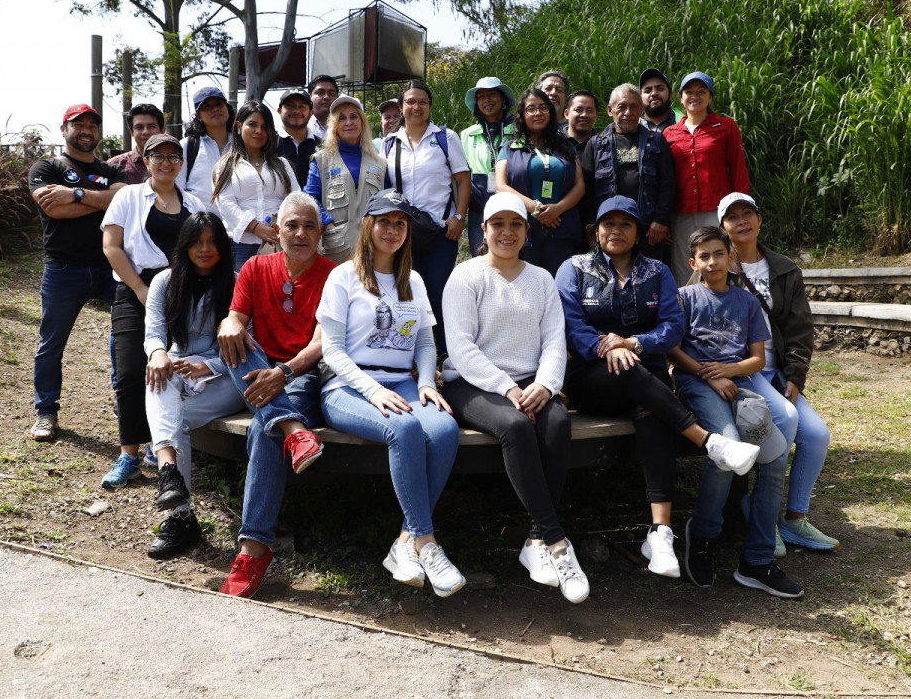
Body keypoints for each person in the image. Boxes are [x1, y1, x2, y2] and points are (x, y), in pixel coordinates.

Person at [556, 197, 760, 580]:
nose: (616, 231)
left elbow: (672, 326)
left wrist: (633, 344)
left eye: (626, 225)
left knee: (652, 412)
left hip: (645, 379)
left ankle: (660, 532)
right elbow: (570, 324)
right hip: (590, 379)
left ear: (637, 232)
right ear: (595, 230)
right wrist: (607, 347)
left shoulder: (657, 272)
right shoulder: (574, 269)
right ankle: (709, 442)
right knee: (636, 377)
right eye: (608, 224)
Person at [316, 189, 465, 598]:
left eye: (401, 223)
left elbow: (424, 342)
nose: (393, 230)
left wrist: (426, 385)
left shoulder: (412, 279)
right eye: (385, 221)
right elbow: (331, 350)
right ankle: (426, 542)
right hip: (348, 386)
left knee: (445, 429)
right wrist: (373, 391)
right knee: (403, 429)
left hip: (404, 383)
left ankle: (404, 541)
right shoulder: (342, 276)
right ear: (368, 225)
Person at [441, 193, 588, 603]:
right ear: (483, 231)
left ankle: (534, 540)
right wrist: (507, 387)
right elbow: (462, 347)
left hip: (532, 381)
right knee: (515, 425)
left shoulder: (541, 278)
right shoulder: (466, 277)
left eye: (516, 224)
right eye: (497, 224)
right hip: (474, 382)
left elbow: (555, 342)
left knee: (557, 424)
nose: (507, 232)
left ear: (527, 230)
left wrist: (545, 384)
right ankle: (557, 541)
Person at [671, 226, 803, 599]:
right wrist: (707, 375)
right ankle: (703, 534)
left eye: (719, 254)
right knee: (727, 449)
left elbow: (758, 359)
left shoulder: (746, 303)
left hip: (736, 384)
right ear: (692, 262)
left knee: (775, 458)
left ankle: (757, 561)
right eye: (704, 256)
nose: (712, 262)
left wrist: (727, 372)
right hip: (697, 383)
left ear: (731, 258)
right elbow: (672, 350)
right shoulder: (685, 297)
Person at [215, 191, 334, 598]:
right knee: (231, 340)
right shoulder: (254, 266)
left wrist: (284, 371)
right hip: (257, 369)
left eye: (309, 226)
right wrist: (231, 322)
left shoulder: (334, 274)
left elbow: (322, 344)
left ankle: (254, 547)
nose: (300, 234)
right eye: (291, 225)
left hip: (301, 374)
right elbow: (237, 317)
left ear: (320, 231)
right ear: (276, 230)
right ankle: (295, 429)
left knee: (263, 432)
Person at [718, 192, 838, 553]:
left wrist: (795, 377)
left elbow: (801, 329)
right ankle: (762, 515)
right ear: (723, 226)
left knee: (817, 434)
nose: (741, 221)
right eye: (732, 217)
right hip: (744, 370)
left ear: (759, 220)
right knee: (784, 420)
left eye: (747, 214)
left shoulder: (785, 269)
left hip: (778, 370)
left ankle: (795, 519)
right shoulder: (716, 263)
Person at [101, 133, 206, 489]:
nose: (166, 162)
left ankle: (160, 446)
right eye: (157, 156)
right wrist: (141, 289)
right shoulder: (128, 196)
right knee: (131, 370)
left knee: (173, 368)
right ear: (145, 161)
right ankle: (129, 454)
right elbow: (111, 246)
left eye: (173, 156)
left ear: (181, 162)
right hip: (136, 289)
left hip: (182, 293)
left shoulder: (193, 203)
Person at [141, 212, 245, 559]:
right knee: (158, 374)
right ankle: (173, 487)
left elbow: (248, 344)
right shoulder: (165, 282)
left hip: (225, 377)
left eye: (212, 241)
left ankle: (178, 511)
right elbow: (154, 330)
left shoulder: (236, 283)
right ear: (184, 244)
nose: (205, 249)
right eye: (197, 241)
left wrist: (207, 364)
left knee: (174, 420)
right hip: (176, 372)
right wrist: (158, 353)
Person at [27, 104, 129, 441]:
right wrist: (100, 200)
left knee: (127, 328)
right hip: (63, 268)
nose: (86, 129)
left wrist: (76, 194)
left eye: (92, 124)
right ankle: (46, 412)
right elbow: (54, 209)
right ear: (63, 129)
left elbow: (121, 200)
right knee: (51, 343)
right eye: (78, 124)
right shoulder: (47, 167)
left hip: (107, 265)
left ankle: (123, 398)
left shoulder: (109, 168)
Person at [382, 80, 471, 351]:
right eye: (410, 101)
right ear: (401, 107)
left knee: (437, 292)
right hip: (401, 233)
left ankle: (445, 353)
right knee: (405, 294)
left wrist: (458, 217)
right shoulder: (388, 143)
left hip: (441, 231)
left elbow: (463, 180)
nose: (416, 106)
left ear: (430, 106)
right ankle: (407, 353)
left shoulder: (445, 138)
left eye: (422, 101)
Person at [664, 71, 750, 284]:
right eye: (689, 92)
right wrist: (663, 217)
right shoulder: (669, 133)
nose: (695, 96)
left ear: (710, 97)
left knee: (722, 265)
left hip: (717, 211)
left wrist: (741, 212)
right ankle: (689, 315)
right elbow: (665, 178)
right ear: (680, 97)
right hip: (681, 213)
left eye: (701, 92)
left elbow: (738, 170)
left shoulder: (725, 126)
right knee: (685, 269)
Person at [579, 84, 674, 264]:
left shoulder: (657, 141)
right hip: (609, 230)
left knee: (650, 282)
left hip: (649, 229)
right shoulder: (595, 144)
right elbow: (586, 189)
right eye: (621, 106)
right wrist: (592, 227)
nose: (628, 112)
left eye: (634, 106)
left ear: (641, 110)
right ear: (610, 110)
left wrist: (661, 220)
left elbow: (668, 183)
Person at [493, 88, 584, 275]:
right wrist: (535, 208)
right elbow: (500, 186)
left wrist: (558, 208)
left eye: (543, 107)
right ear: (522, 114)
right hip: (523, 230)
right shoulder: (510, 147)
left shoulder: (566, 144)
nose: (538, 113)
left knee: (557, 286)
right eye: (531, 109)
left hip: (561, 227)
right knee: (522, 284)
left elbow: (580, 185)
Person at [210, 100, 299, 272]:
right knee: (245, 294)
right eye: (252, 124)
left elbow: (296, 199)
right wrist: (255, 228)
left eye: (265, 127)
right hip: (242, 245)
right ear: (238, 126)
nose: (259, 131)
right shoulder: (226, 166)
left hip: (279, 241)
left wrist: (282, 227)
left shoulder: (282, 164)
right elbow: (226, 204)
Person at [305, 96, 389, 264]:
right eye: (342, 118)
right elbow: (310, 198)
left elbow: (386, 202)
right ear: (334, 125)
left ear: (362, 122)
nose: (348, 122)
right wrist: (328, 224)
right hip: (335, 246)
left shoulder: (380, 163)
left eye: (353, 117)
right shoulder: (321, 160)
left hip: (372, 245)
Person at [459, 76, 515, 254]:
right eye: (481, 96)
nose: (487, 100)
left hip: (512, 204)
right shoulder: (467, 135)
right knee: (481, 257)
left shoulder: (519, 130)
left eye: (492, 94)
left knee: (513, 255)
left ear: (503, 99)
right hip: (479, 208)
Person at [180, 86, 234, 206]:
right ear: (198, 116)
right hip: (197, 222)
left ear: (227, 109)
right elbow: (177, 189)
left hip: (239, 223)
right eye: (207, 107)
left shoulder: (242, 145)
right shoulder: (187, 146)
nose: (215, 109)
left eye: (219, 104)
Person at [108, 103, 164, 184]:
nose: (145, 132)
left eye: (151, 126)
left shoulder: (175, 164)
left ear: (162, 131)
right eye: (139, 127)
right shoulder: (114, 166)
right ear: (132, 133)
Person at [274, 89, 319, 187]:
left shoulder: (322, 146)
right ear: (279, 110)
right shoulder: (268, 143)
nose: (296, 111)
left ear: (311, 112)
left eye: (302, 106)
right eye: (290, 106)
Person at [563, 90, 598, 160]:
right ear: (567, 114)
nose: (584, 115)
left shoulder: (604, 145)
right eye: (578, 110)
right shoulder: (554, 142)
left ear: (596, 116)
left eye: (589, 111)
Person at [639, 68, 676, 133]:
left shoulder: (686, 124)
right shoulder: (633, 126)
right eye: (648, 90)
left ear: (670, 95)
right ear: (640, 97)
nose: (654, 93)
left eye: (660, 89)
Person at [306, 74, 340, 139]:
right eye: (320, 93)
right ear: (309, 97)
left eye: (331, 94)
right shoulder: (301, 126)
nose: (326, 97)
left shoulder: (346, 126)